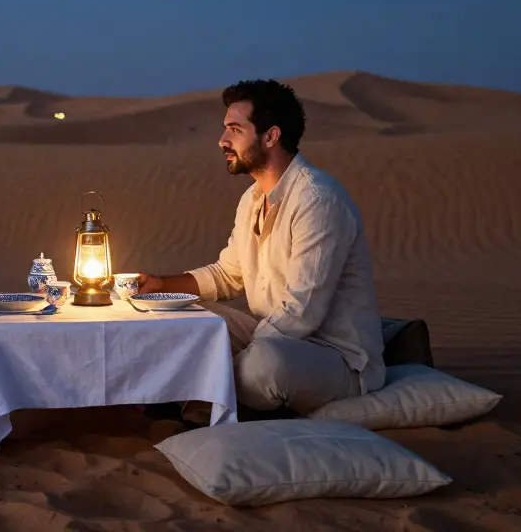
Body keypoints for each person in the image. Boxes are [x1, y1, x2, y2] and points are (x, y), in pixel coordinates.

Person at [137, 79, 385, 417]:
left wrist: (232, 356)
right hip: (271, 335)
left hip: (333, 357)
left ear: (271, 136)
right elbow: (229, 274)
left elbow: (302, 311)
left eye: (235, 130)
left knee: (265, 367)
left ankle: (196, 396)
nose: (223, 141)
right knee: (181, 316)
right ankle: (195, 392)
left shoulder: (317, 199)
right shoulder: (253, 199)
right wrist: (162, 286)